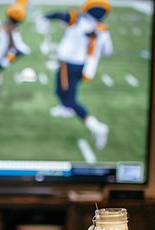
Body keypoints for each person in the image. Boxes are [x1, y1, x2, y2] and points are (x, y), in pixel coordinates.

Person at [44, 0, 113, 150]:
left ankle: (97, 127)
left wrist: (46, 17)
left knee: (70, 100)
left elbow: (59, 15)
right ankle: (64, 108)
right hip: (84, 67)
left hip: (68, 65)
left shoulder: (77, 19)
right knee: (63, 92)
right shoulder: (102, 29)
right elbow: (108, 51)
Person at [0, 2, 30, 86]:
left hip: (1, 50)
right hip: (4, 51)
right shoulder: (10, 28)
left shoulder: (7, 25)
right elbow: (10, 43)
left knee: (23, 50)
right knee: (21, 51)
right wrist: (11, 50)